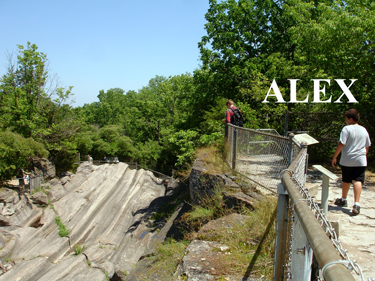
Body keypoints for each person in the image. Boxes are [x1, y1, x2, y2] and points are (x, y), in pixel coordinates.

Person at [332, 109, 371, 215]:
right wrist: (363, 155)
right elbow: (367, 145)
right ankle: (357, 204)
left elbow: (342, 143)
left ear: (350, 119)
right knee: (357, 180)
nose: (346, 121)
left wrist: (335, 156)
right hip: (361, 160)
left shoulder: (346, 129)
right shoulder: (363, 130)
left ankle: (343, 200)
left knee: (346, 179)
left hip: (347, 159)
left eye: (346, 119)